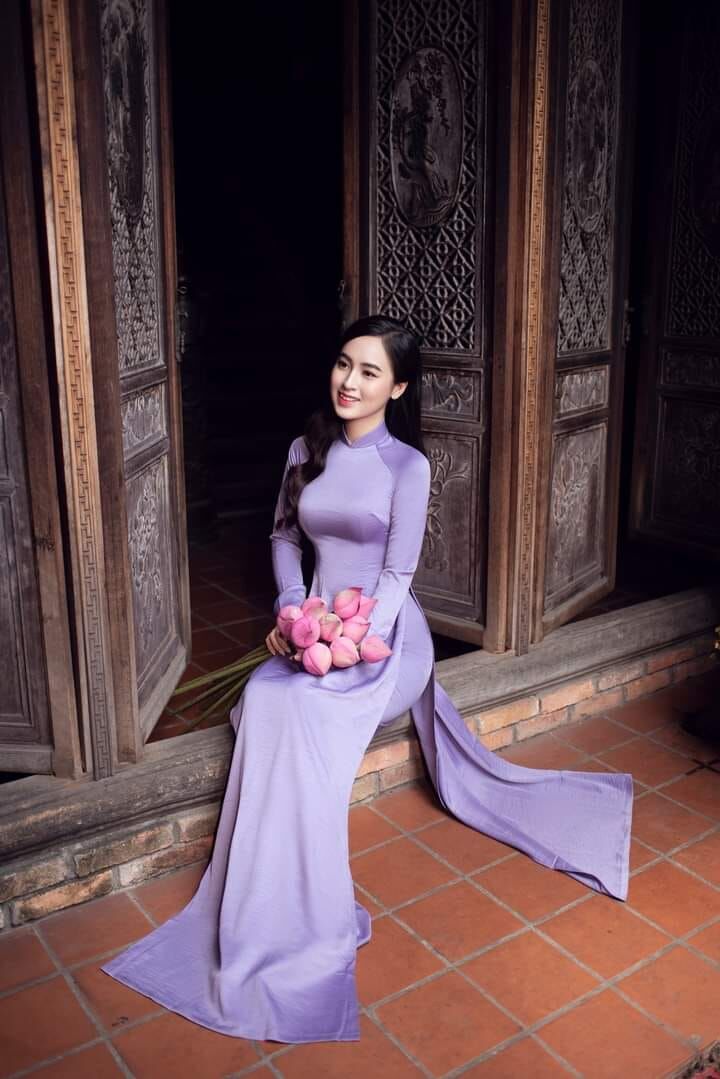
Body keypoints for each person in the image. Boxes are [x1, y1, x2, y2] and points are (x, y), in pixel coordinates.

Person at [102, 315, 633, 1043]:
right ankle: (274, 901)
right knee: (264, 696)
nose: (349, 381)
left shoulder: (407, 467)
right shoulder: (306, 448)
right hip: (314, 626)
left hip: (386, 637)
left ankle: (307, 912)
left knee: (310, 714)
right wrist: (295, 611)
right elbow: (283, 537)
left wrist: (353, 640)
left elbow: (397, 574)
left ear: (399, 387)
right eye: (344, 364)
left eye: (370, 371)